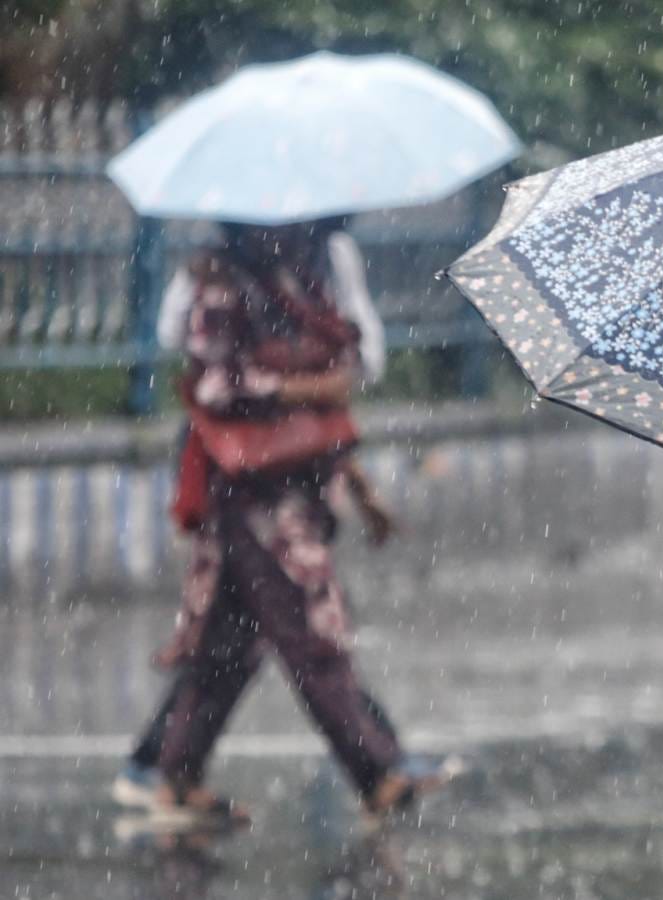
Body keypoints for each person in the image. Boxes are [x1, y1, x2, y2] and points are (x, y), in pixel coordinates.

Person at [118, 223, 439, 825]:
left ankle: (175, 777)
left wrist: (357, 481)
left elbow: (347, 369)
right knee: (308, 636)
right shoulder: (217, 283)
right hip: (251, 496)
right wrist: (302, 382)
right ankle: (377, 772)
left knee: (227, 649)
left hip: (298, 484)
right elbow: (216, 386)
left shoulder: (302, 278)